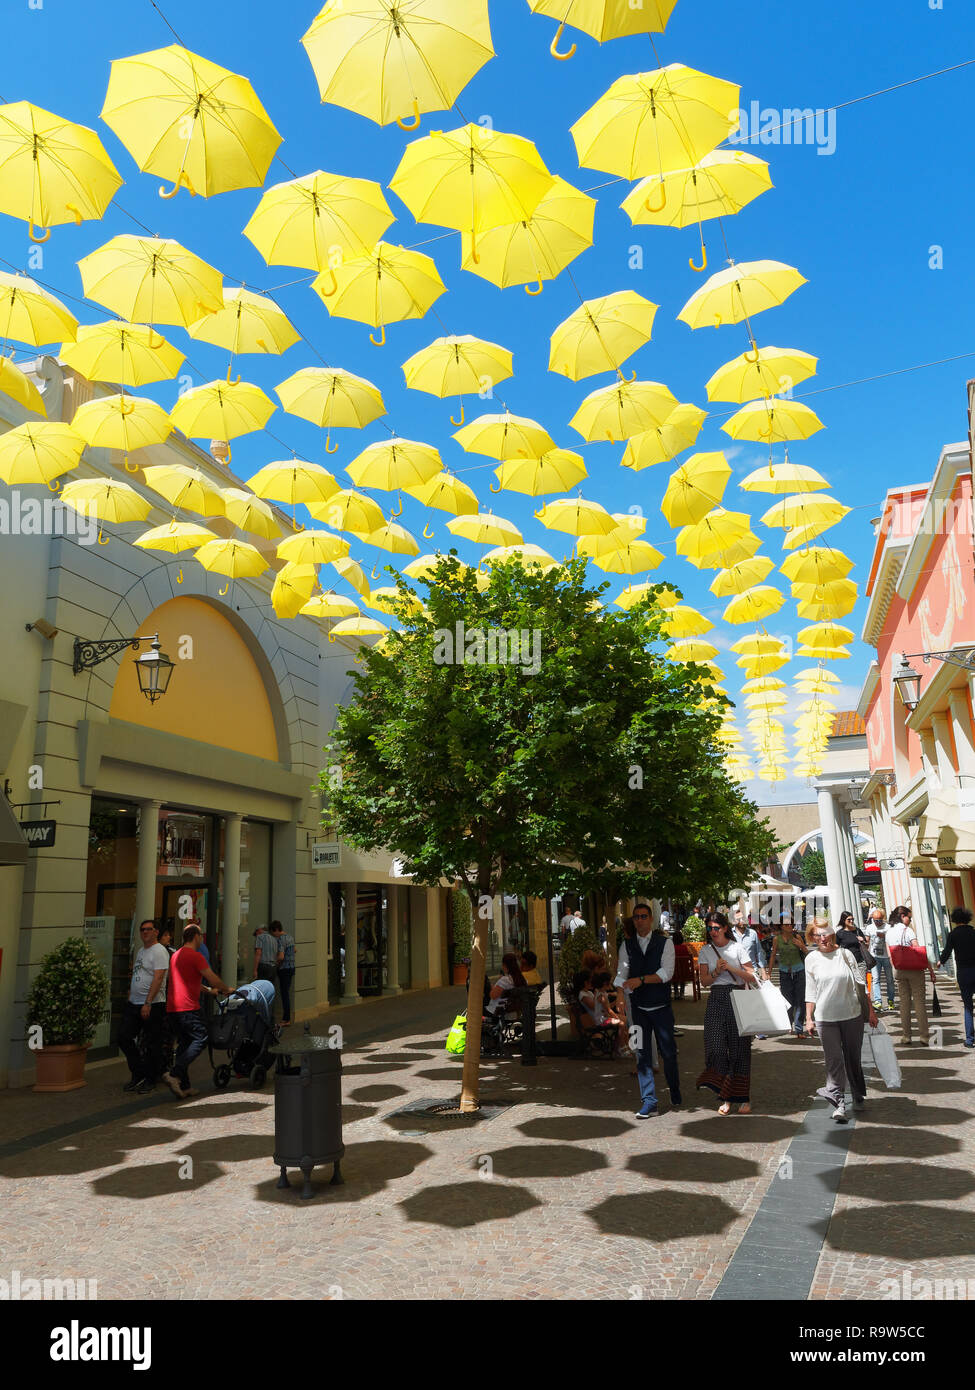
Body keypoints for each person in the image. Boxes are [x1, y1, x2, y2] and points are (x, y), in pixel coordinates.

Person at [804, 919, 877, 1123]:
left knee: (852, 1058)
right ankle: (839, 1103)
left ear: (832, 935)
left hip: (851, 1015)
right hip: (825, 1019)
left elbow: (860, 984)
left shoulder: (845, 954)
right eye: (818, 935)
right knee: (834, 1061)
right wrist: (808, 1018)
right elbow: (810, 991)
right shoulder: (811, 959)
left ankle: (857, 1092)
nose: (823, 938)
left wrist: (870, 1011)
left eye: (826, 934)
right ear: (812, 937)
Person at [614, 902, 682, 1117]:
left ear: (651, 919)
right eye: (636, 917)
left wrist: (641, 980)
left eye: (643, 916)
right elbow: (621, 973)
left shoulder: (665, 943)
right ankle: (649, 1102)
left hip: (661, 1007)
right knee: (641, 1053)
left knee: (668, 1053)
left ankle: (675, 1089)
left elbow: (666, 973)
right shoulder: (626, 945)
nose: (640, 920)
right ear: (633, 921)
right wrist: (619, 995)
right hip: (637, 1008)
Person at [164, 922, 235, 1098]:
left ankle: (185, 1086)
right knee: (200, 1038)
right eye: (201, 935)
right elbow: (212, 978)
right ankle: (174, 1073)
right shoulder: (196, 957)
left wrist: (209, 991)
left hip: (173, 1009)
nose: (202, 938)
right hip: (188, 1008)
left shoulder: (175, 956)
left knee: (184, 1044)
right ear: (196, 936)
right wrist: (226, 989)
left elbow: (190, 981)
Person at [696, 912, 757, 1114]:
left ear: (724, 928)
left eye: (716, 928)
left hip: (738, 996)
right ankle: (725, 1092)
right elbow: (704, 981)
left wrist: (730, 967)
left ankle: (740, 1098)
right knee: (716, 1047)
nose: (712, 932)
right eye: (709, 928)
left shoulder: (737, 947)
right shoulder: (706, 950)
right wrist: (716, 972)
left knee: (740, 1049)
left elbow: (751, 976)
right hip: (716, 998)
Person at [118, 920, 169, 1095]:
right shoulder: (141, 951)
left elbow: (158, 978)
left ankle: (150, 1079)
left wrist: (148, 1002)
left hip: (153, 1004)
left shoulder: (160, 951)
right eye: (142, 930)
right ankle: (138, 1073)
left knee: (152, 1043)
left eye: (149, 929)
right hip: (134, 1003)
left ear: (156, 932)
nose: (145, 932)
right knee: (124, 1037)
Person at [887, 905, 937, 1046]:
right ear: (903, 916)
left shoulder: (889, 932)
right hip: (914, 970)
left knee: (904, 1002)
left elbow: (890, 955)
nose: (910, 920)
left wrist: (895, 969)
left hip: (899, 969)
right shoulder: (907, 930)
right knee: (919, 1001)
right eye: (909, 917)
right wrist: (931, 970)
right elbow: (918, 951)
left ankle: (906, 1036)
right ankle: (924, 1036)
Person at [767, 917, 809, 1038]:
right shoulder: (776, 939)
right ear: (781, 926)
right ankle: (788, 1024)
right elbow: (773, 955)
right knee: (788, 1000)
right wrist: (768, 973)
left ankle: (799, 1029)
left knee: (800, 1000)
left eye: (791, 924)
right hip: (784, 972)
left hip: (799, 971)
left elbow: (806, 952)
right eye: (786, 924)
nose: (789, 926)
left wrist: (801, 945)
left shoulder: (798, 937)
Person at [939, 907, 975, 1047]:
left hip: (963, 972)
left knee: (968, 1006)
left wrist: (940, 961)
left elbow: (947, 951)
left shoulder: (953, 934)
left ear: (954, 920)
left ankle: (969, 1040)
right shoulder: (973, 932)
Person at [864, 907, 896, 1012]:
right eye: (875, 920)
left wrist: (885, 935)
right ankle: (878, 1002)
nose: (877, 923)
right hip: (874, 957)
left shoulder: (888, 927)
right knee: (875, 979)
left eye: (879, 920)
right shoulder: (869, 928)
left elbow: (892, 941)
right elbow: (867, 942)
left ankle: (891, 1000)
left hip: (887, 957)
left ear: (883, 919)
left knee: (890, 980)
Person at [270, 920, 296, 1025]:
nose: (273, 935)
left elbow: (281, 956)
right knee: (286, 992)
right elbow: (295, 950)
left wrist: (276, 964)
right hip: (291, 967)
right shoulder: (290, 937)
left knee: (284, 994)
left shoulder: (280, 939)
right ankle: (287, 1018)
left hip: (284, 969)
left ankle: (286, 1019)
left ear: (276, 930)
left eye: (273, 933)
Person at [671, 927, 691, 1001]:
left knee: (675, 972)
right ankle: (682, 993)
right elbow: (690, 956)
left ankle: (676, 993)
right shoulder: (686, 948)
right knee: (682, 973)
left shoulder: (671, 948)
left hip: (674, 972)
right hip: (685, 972)